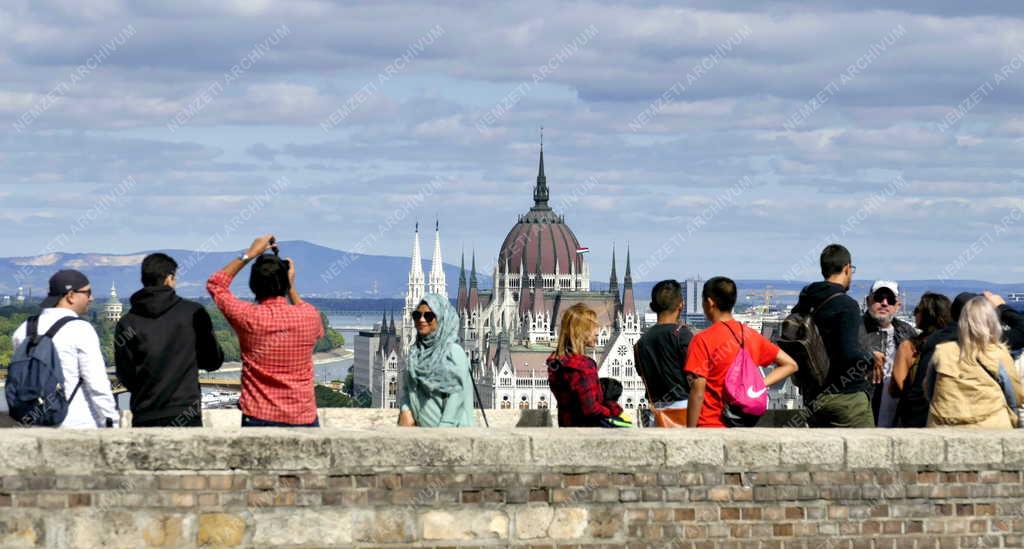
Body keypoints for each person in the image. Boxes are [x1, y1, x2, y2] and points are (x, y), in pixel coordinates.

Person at [206, 235, 323, 427]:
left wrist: (251, 253)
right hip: (303, 417)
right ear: (285, 284)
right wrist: (290, 286)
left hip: (259, 416)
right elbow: (315, 328)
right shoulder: (309, 316)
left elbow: (215, 284)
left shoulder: (247, 316)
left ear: (253, 285)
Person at [115, 253, 224, 427]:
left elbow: (125, 374)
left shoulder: (127, 322)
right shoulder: (193, 312)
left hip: (145, 413)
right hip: (185, 411)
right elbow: (212, 360)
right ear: (169, 278)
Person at [684, 277, 798, 428]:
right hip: (741, 424)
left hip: (710, 424)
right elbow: (791, 365)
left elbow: (698, 390)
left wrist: (690, 431)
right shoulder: (751, 335)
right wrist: (759, 385)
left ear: (710, 302)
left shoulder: (702, 340)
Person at [11, 270, 118, 428]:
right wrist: (111, 423)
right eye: (88, 292)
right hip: (78, 423)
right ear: (71, 295)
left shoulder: (23, 330)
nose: (91, 298)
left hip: (35, 426)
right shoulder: (81, 329)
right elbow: (97, 385)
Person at [792, 244, 882, 428]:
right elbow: (848, 353)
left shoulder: (806, 301)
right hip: (846, 397)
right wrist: (871, 357)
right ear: (847, 268)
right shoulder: (846, 305)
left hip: (813, 397)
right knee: (866, 452)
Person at [928, 297, 1022, 428]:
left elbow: (929, 389)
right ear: (992, 322)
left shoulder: (942, 351)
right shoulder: (999, 354)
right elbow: (1015, 394)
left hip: (944, 425)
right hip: (992, 425)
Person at [397, 293, 476, 427]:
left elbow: (456, 396)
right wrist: (405, 410)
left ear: (441, 318)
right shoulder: (415, 353)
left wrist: (443, 429)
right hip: (420, 436)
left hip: (452, 436)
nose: (422, 320)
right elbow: (407, 390)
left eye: (428, 316)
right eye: (417, 315)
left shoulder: (453, 351)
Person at [547, 303, 624, 427]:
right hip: (589, 431)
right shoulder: (583, 366)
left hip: (567, 427)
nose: (597, 332)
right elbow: (591, 408)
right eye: (593, 327)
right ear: (581, 332)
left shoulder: (557, 363)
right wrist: (613, 410)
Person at [891, 292, 951, 427]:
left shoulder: (909, 347)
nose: (914, 314)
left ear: (927, 315)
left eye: (917, 310)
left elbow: (897, 388)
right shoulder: (954, 344)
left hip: (913, 417)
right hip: (946, 414)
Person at [862, 280, 917, 427]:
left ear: (897, 306)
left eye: (890, 300)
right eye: (879, 298)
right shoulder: (855, 330)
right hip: (864, 412)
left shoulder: (907, 332)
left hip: (898, 412)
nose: (885, 303)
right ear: (868, 301)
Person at [634, 279, 694, 412]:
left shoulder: (641, 343)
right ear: (681, 305)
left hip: (655, 411)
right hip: (684, 409)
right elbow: (695, 376)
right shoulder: (682, 335)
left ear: (652, 306)